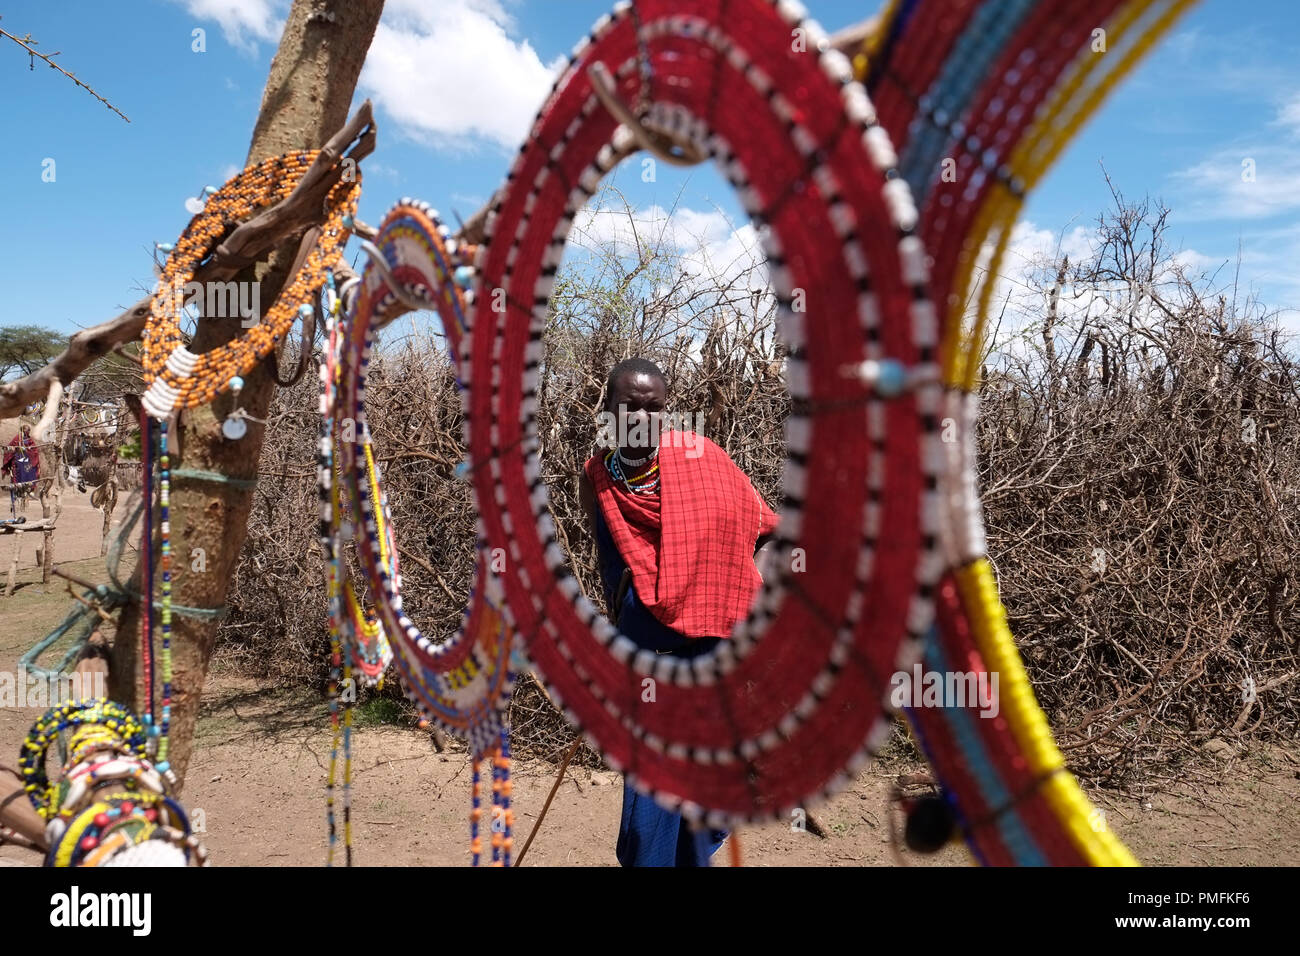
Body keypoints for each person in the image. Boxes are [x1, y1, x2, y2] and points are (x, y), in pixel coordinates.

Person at [578, 357, 778, 866]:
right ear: (608, 411)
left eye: (655, 409)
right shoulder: (599, 479)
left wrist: (750, 599)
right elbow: (608, 567)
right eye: (629, 408)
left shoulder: (703, 460)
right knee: (647, 819)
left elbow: (766, 531)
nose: (642, 420)